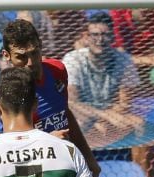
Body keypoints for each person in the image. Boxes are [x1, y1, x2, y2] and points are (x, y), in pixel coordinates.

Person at [0, 19, 102, 177]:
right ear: (7, 55)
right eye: (21, 57)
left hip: (63, 164)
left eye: (34, 53)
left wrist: (88, 156)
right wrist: (46, 144)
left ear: (40, 45)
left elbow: (64, 114)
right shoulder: (0, 99)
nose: (31, 63)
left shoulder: (57, 70)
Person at [61, 12, 143, 148]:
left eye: (105, 34)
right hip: (81, 115)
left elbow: (125, 104)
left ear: (112, 37)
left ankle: (138, 167)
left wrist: (106, 118)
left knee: (139, 123)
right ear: (87, 37)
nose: (100, 40)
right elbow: (71, 103)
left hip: (114, 114)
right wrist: (103, 116)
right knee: (82, 124)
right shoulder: (73, 59)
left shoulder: (124, 60)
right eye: (95, 35)